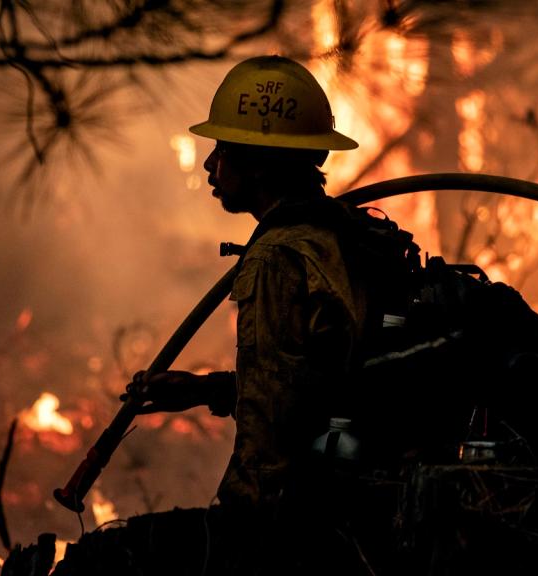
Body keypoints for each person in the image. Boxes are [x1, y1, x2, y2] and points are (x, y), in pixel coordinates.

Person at [124, 55, 374, 574]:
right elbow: (310, 383)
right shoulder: (335, 237)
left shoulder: (277, 257)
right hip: (347, 507)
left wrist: (236, 535)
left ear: (259, 161)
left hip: (294, 531)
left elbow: (271, 446)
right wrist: (205, 390)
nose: (210, 166)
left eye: (222, 150)